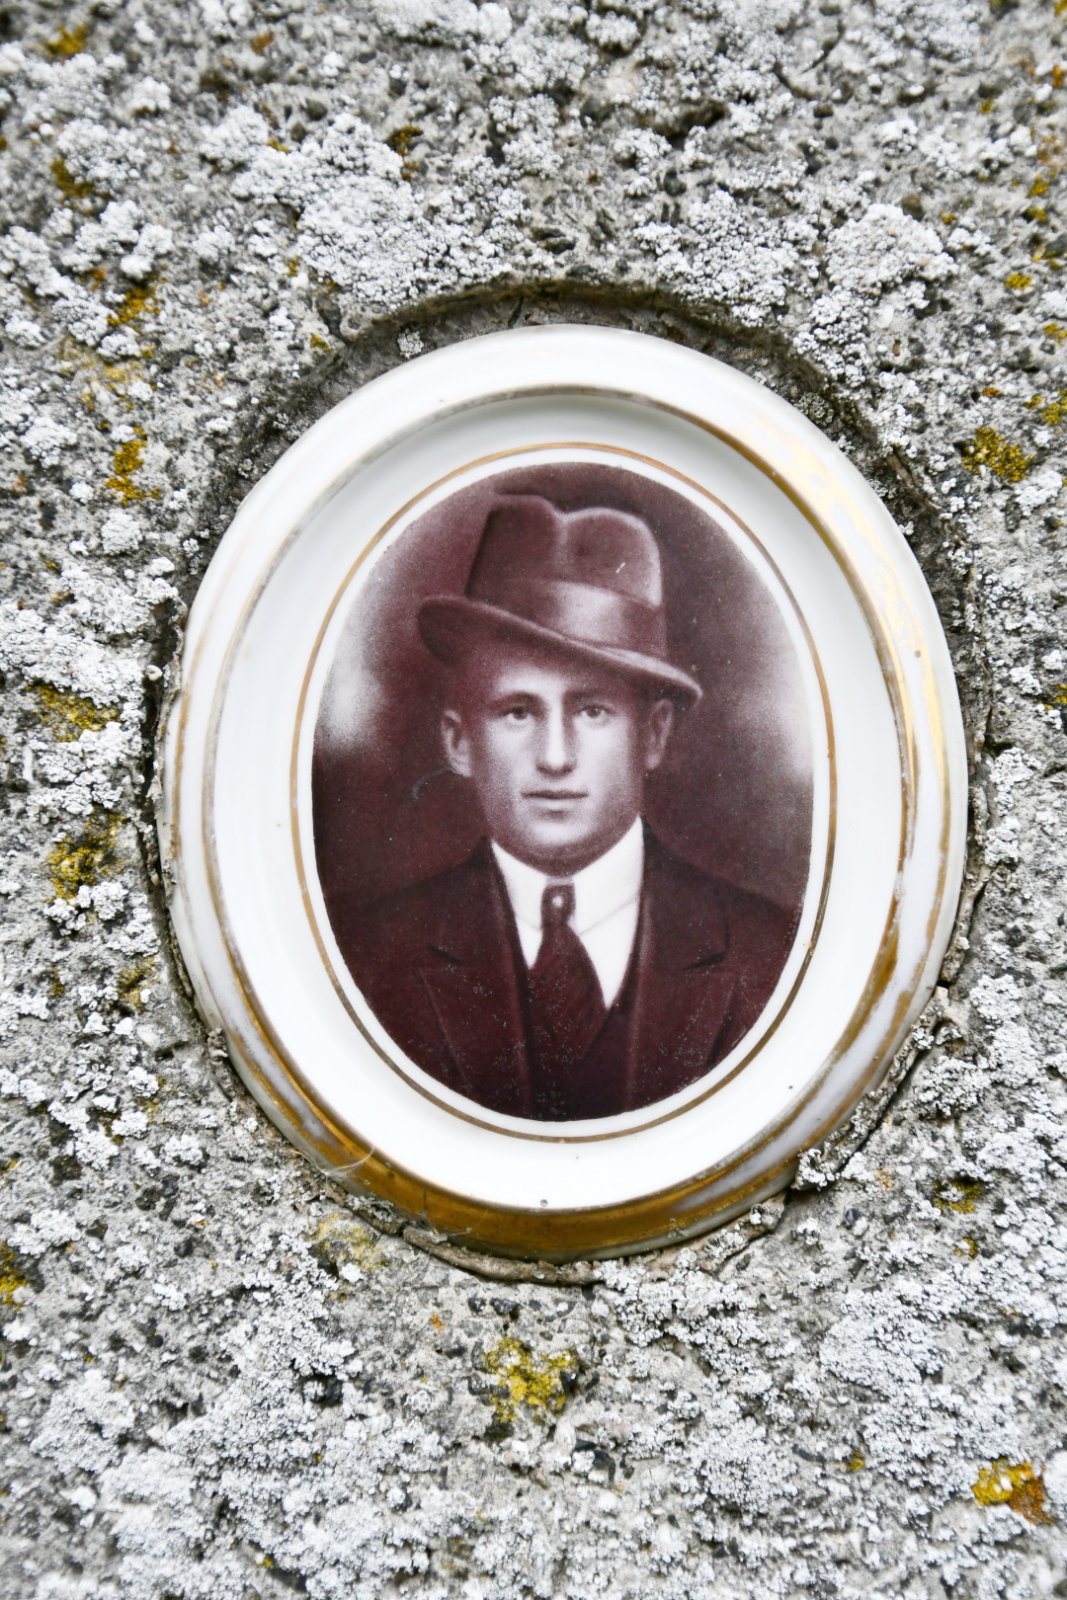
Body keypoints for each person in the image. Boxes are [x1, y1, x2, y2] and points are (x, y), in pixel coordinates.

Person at [340, 494, 797, 1121]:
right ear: (459, 742)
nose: (555, 758)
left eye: (592, 710)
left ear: (654, 736)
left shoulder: (772, 953)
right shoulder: (365, 954)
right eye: (517, 712)